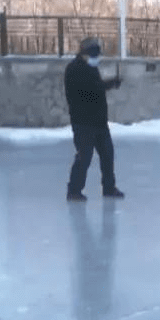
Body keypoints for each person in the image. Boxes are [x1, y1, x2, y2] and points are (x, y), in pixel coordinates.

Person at [64, 37, 125, 201]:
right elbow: (91, 89)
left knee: (107, 155)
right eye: (94, 55)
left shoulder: (91, 69)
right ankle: (74, 190)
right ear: (84, 54)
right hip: (83, 123)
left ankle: (109, 187)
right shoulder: (74, 69)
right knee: (84, 156)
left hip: (99, 122)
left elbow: (96, 86)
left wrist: (109, 83)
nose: (96, 58)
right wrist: (110, 84)